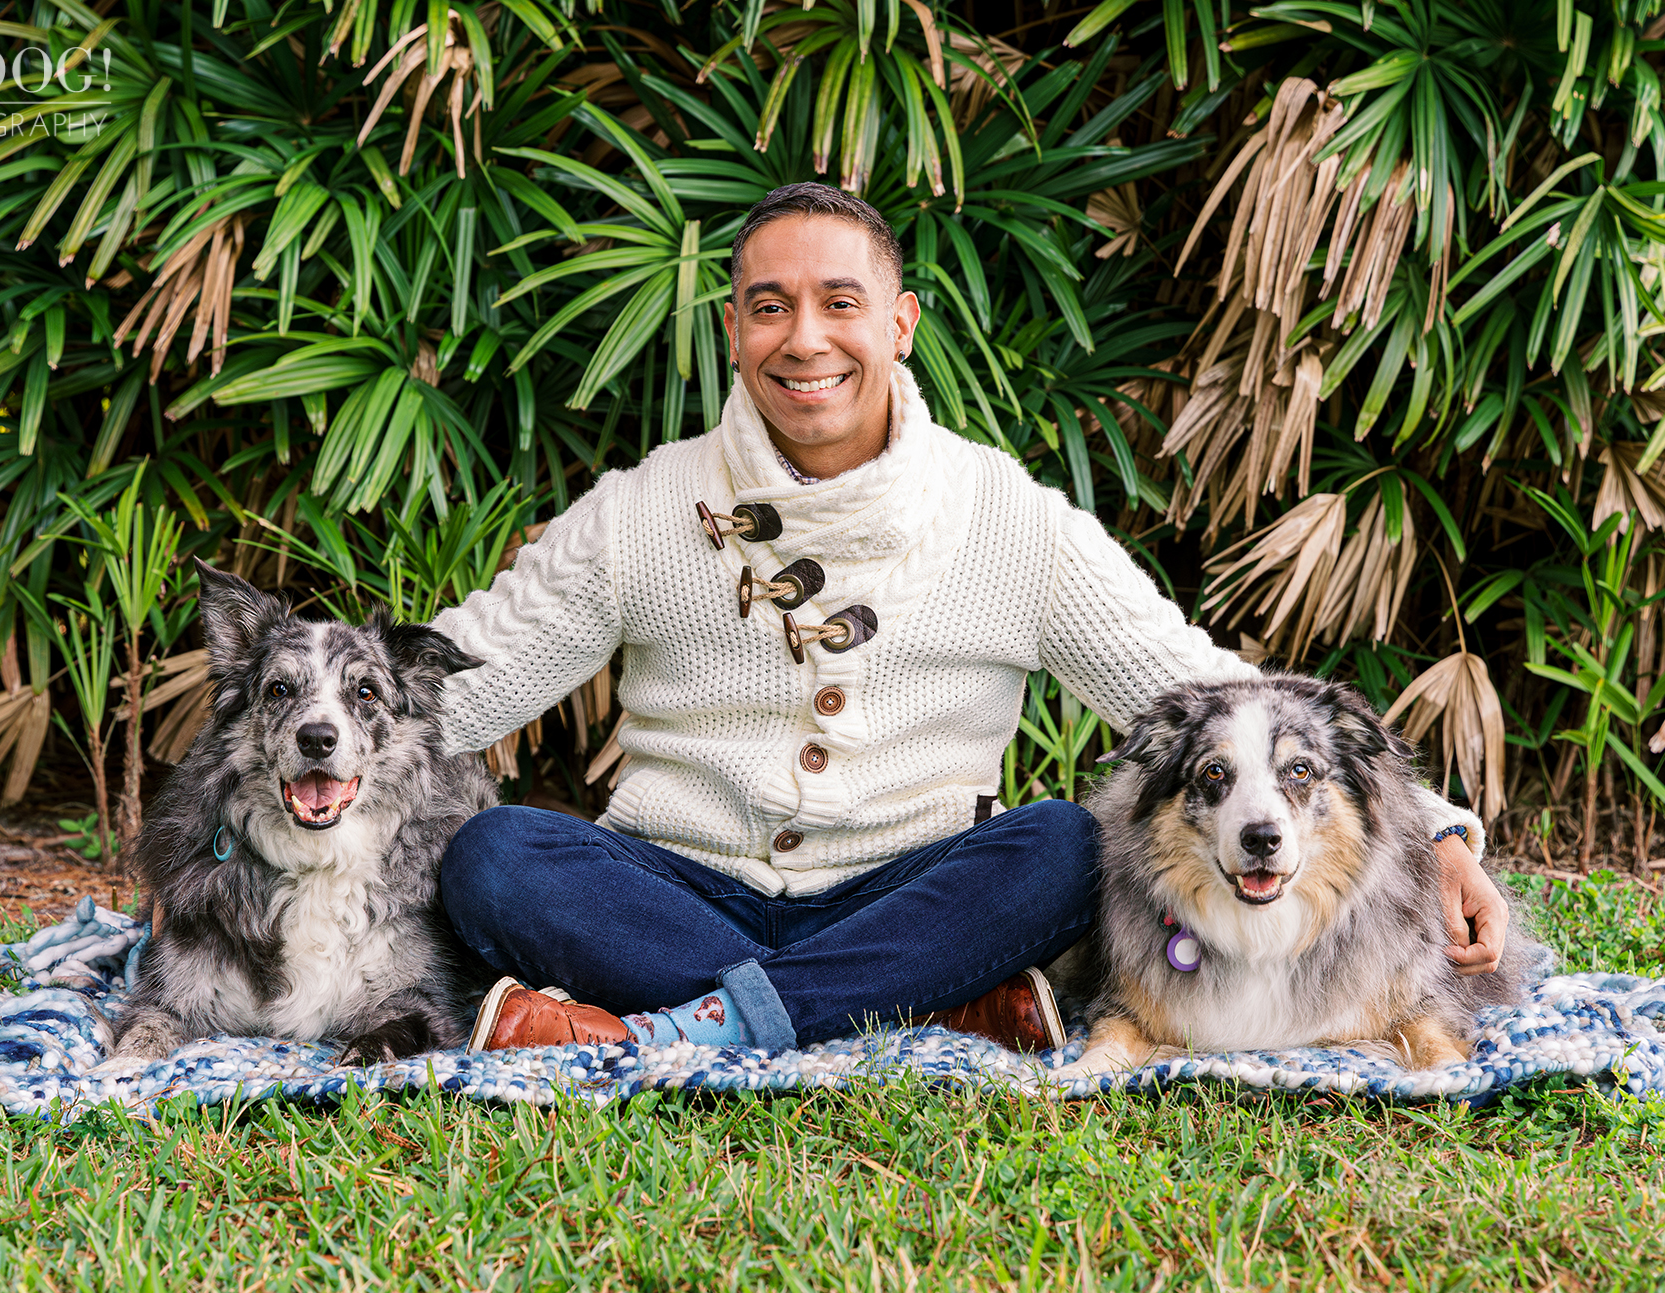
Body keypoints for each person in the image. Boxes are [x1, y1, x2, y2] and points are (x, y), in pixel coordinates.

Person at [432, 183, 1508, 1054]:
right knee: (493, 856)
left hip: (912, 886)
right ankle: (913, 1005)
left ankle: (678, 1028)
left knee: (1054, 848)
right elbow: (463, 680)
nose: (804, 338)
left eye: (839, 302)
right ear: (733, 328)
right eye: (769, 305)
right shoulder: (641, 507)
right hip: (673, 888)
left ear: (897, 324)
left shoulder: (1005, 516)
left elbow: (1206, 692)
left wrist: (1443, 832)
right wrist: (276, 774)